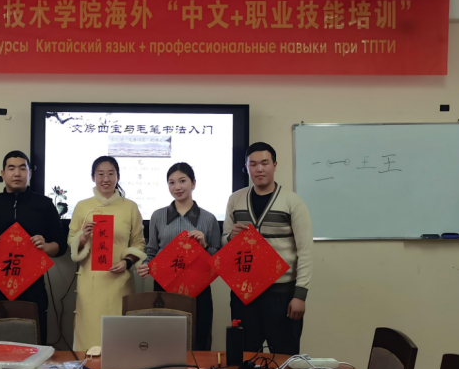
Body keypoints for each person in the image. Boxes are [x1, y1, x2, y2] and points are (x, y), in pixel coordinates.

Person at [0, 151, 67, 345]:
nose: (17, 173)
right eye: (11, 168)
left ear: (30, 173)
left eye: (22, 168)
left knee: (33, 350)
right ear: (3, 173)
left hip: (33, 292)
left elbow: (61, 246)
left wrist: (46, 247)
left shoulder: (44, 205)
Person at [222, 142, 313, 355]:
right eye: (253, 164)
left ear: (275, 165)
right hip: (244, 292)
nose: (259, 169)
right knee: (244, 355)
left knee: (284, 356)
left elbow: (305, 251)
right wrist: (230, 237)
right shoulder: (235, 199)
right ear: (246, 167)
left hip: (281, 292)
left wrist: (300, 295)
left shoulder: (292, 202)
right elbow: (224, 242)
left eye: (265, 163)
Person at [137, 162, 220, 351]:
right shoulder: (158, 216)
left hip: (198, 288)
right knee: (164, 337)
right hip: (165, 285)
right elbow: (152, 250)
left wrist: (205, 246)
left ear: (193, 183)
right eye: (171, 182)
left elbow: (217, 259)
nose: (177, 187)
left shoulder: (209, 219)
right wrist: (146, 264)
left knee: (199, 337)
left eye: (182, 181)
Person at [68, 156, 146, 351]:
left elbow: (139, 242)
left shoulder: (130, 207)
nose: (106, 179)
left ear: (118, 177)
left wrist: (127, 262)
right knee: (89, 334)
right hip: (91, 283)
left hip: (120, 281)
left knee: (119, 337)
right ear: (93, 177)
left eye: (111, 174)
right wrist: (83, 237)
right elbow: (71, 240)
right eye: (100, 174)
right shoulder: (83, 206)